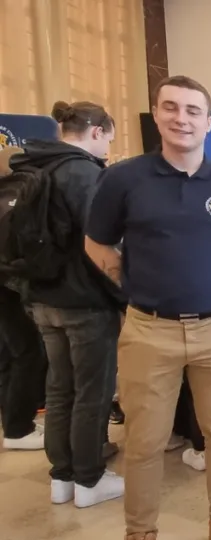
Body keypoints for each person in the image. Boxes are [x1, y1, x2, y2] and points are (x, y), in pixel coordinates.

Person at [84, 75, 211, 540]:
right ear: (157, 115)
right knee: (143, 443)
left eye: (193, 110)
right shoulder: (124, 179)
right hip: (150, 331)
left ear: (208, 123)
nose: (181, 118)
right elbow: (96, 245)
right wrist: (131, 286)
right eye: (171, 108)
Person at [10, 101, 127, 506]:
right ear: (97, 131)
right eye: (108, 139)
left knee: (60, 388)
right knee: (92, 391)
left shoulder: (33, 166)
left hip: (42, 297)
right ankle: (89, 479)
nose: (108, 149)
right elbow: (103, 241)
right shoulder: (83, 173)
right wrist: (124, 292)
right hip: (85, 301)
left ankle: (62, 476)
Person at [0, 147, 48, 451]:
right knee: (28, 353)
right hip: (13, 285)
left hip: (4, 284)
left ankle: (13, 422)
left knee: (10, 354)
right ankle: (18, 429)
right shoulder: (24, 192)